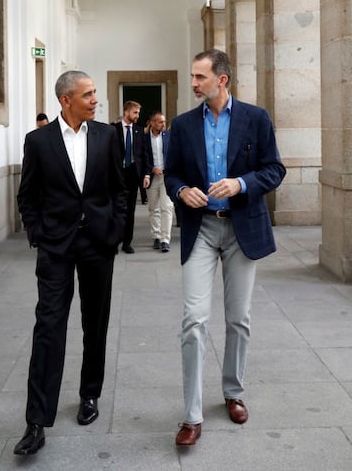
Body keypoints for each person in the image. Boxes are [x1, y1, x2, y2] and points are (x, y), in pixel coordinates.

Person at [164, 49, 286, 447]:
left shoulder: (256, 118)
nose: (194, 83)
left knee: (238, 319)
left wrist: (241, 184)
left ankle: (233, 392)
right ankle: (191, 415)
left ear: (222, 80)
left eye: (200, 77)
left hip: (241, 229)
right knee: (194, 320)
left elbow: (274, 169)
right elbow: (172, 174)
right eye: (193, 76)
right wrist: (182, 191)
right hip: (201, 231)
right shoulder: (182, 126)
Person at [14, 71, 127, 456]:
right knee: (49, 326)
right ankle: (35, 421)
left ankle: (89, 395)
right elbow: (27, 194)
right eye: (88, 94)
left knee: (95, 324)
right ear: (66, 100)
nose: (96, 100)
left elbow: (118, 188)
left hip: (98, 243)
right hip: (56, 247)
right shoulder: (38, 142)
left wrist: (114, 232)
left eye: (95, 93)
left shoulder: (107, 136)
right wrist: (39, 235)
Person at [113, 100, 151, 253]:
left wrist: (146, 174)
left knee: (130, 210)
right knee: (116, 209)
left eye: (138, 113)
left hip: (133, 174)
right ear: (126, 112)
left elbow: (144, 154)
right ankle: (114, 241)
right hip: (117, 174)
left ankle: (127, 242)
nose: (137, 116)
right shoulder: (113, 130)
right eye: (135, 112)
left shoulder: (139, 131)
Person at [144, 111, 173, 252]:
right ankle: (156, 236)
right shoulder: (144, 138)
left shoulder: (169, 137)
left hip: (166, 177)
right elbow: (142, 158)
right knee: (153, 207)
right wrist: (150, 170)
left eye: (164, 121)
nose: (163, 124)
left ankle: (165, 239)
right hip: (152, 177)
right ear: (152, 123)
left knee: (166, 207)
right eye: (160, 122)